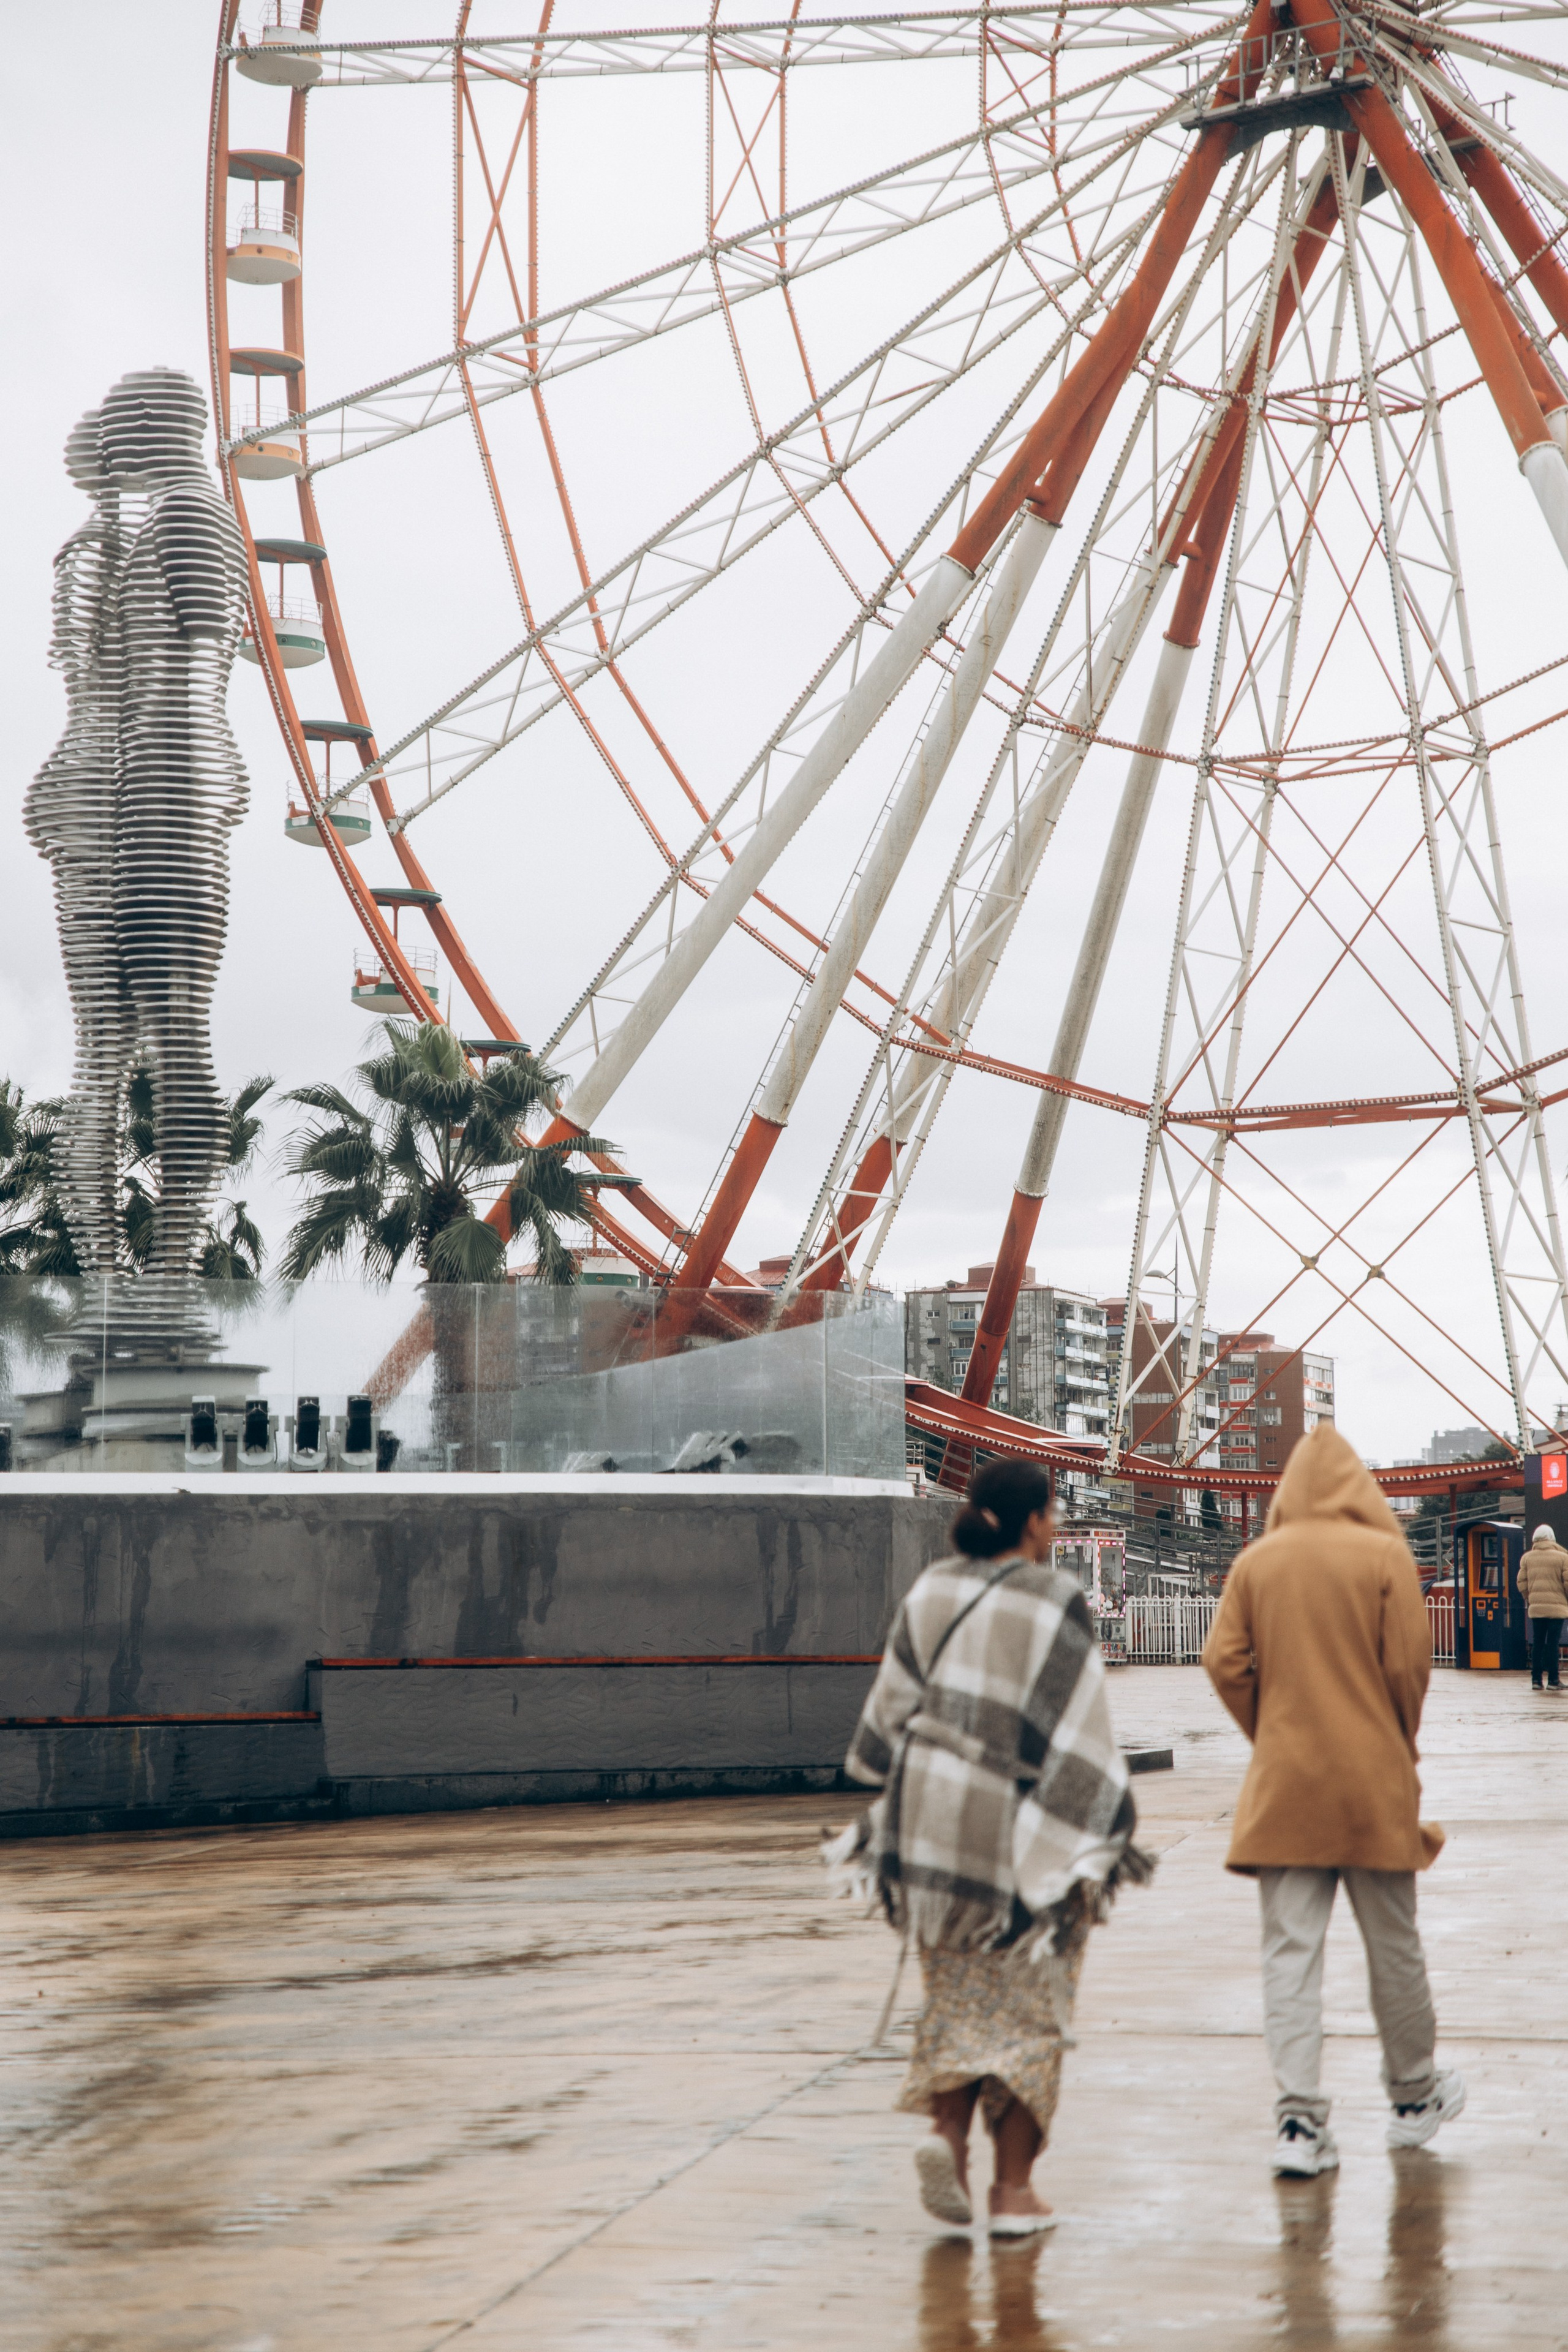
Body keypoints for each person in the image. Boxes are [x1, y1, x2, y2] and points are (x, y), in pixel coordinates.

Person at [830, 1458, 1149, 2236]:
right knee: (1032, 2008)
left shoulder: (931, 1589)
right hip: (1019, 1826)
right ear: (1035, 1520)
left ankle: (946, 2135)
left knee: (957, 1996)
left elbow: (885, 1722)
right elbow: (1080, 1734)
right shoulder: (1053, 1597)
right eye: (1053, 1513)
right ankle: (1012, 2193)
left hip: (931, 1824)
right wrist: (1099, 1824)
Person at [1202, 1423, 1464, 2179]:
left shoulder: (1257, 1562)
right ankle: (1413, 2098)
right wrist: (1392, 1738)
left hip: (1285, 1785)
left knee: (1290, 1953)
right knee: (1393, 1945)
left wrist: (1271, 1730)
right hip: (1371, 1782)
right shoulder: (1385, 1557)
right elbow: (1408, 1668)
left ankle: (1297, 2121)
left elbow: (1223, 1661)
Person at [1518, 1523, 1568, 1689]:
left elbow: (1521, 1582)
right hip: (1558, 1608)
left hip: (1536, 1609)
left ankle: (1536, 1680)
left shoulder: (1527, 1558)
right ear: (1551, 1538)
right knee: (1553, 1643)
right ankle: (1553, 1680)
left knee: (1538, 1643)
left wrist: (1530, 1598)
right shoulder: (1563, 1557)